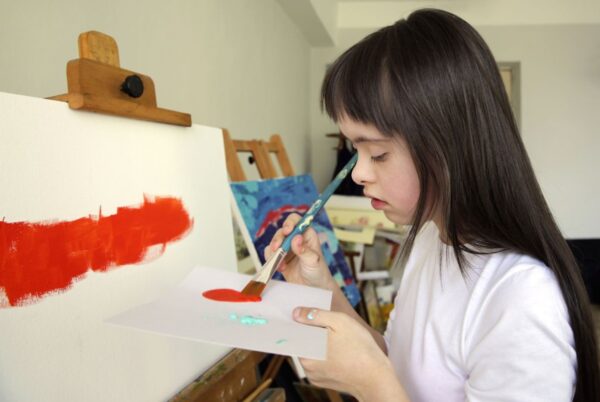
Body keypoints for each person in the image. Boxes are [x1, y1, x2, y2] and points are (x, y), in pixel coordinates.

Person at [266, 8, 599, 402]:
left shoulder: (521, 299)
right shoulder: (430, 239)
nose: (359, 174)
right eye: (356, 151)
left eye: (378, 153)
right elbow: (397, 364)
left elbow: (383, 381)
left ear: (448, 146)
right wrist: (322, 285)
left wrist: (368, 384)